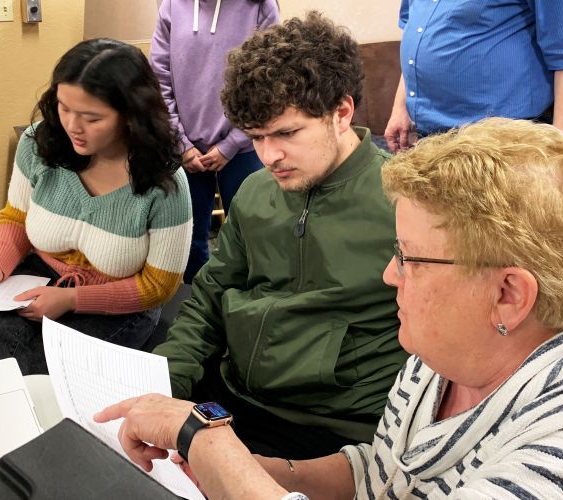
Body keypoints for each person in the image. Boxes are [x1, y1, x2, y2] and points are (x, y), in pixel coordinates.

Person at [96, 117, 563, 499]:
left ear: (508, 295)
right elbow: (382, 472)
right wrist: (253, 472)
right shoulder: (439, 356)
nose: (391, 274)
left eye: (409, 259)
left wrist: (206, 441)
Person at [151, 12, 405, 459]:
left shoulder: (404, 203)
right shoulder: (254, 192)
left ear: (341, 112)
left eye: (286, 133)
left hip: (331, 426)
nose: (269, 155)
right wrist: (165, 381)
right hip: (232, 393)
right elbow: (211, 295)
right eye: (256, 137)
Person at [0, 39, 193, 375]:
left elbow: (158, 287)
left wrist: (74, 301)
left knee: (49, 369)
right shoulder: (39, 144)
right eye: (63, 108)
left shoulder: (165, 183)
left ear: (132, 115)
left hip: (121, 303)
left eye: (91, 117)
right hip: (40, 277)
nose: (72, 126)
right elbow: (16, 220)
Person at [150, 0, 280, 283]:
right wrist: (181, 144)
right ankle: (197, 310)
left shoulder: (260, 7)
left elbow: (269, 83)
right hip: (184, 150)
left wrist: (231, 143)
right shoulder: (172, 6)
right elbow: (159, 81)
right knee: (188, 244)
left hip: (243, 148)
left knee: (253, 238)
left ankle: (249, 308)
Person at [385, 0, 563, 151]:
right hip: (427, 141)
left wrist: (561, 160)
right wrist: (400, 107)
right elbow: (415, 31)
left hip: (505, 148)